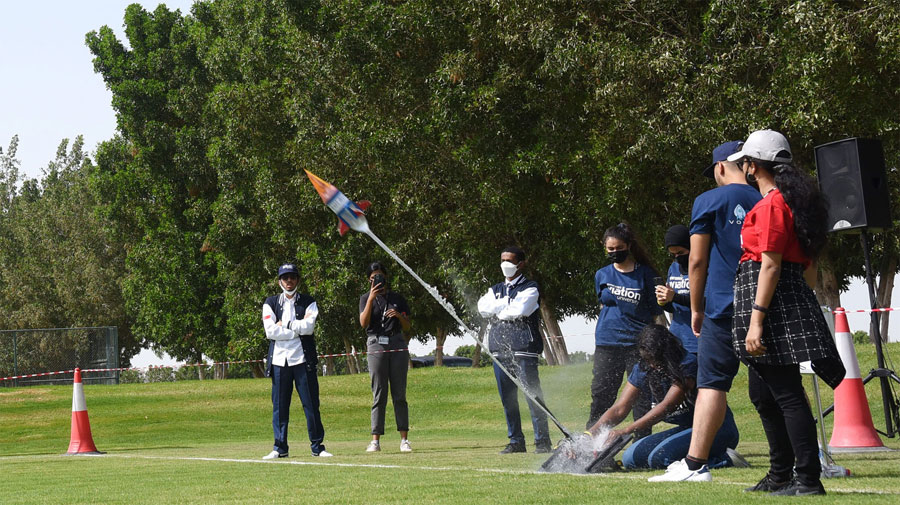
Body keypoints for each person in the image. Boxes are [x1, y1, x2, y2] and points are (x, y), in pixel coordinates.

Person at [730, 129, 844, 495]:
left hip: (769, 303)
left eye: (744, 162)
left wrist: (757, 320)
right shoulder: (794, 205)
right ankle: (780, 474)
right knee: (763, 394)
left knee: (787, 393)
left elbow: (770, 266)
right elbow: (807, 271)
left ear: (753, 166)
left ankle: (808, 479)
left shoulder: (771, 206)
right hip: (785, 298)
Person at [650, 141, 761, 482]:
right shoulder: (766, 197)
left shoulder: (708, 200)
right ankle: (803, 455)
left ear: (720, 167)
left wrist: (695, 308)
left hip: (721, 308)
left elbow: (697, 261)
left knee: (712, 385)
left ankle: (695, 465)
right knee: (779, 385)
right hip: (761, 305)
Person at [586, 324, 740, 469]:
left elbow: (667, 406)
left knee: (659, 458)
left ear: (667, 351)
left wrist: (625, 431)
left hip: (717, 429)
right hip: (689, 428)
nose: (652, 365)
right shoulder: (644, 368)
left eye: (655, 359)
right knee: (631, 458)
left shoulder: (687, 364)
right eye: (648, 360)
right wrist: (588, 435)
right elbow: (620, 408)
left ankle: (726, 459)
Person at [477, 246, 552, 454]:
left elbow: (520, 310)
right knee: (508, 399)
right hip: (499, 349)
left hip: (524, 348)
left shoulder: (531, 287)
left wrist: (499, 307)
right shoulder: (495, 289)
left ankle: (542, 441)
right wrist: (505, 305)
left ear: (521, 264)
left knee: (532, 395)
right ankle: (516, 441)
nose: (505, 265)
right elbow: (483, 308)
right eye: (502, 260)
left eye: (509, 261)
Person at [588, 223, 661, 433]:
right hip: (607, 343)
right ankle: (592, 444)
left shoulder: (646, 274)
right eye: (610, 249)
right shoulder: (601, 274)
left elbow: (656, 309)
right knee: (602, 394)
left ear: (629, 246)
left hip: (638, 345)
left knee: (641, 397)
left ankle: (641, 444)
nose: (614, 252)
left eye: (619, 248)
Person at [261, 263, 332, 459]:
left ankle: (317, 447)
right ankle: (280, 447)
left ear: (298, 280)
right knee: (280, 407)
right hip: (279, 361)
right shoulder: (270, 302)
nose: (289, 281)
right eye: (285, 277)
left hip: (303, 360)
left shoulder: (309, 302)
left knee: (311, 405)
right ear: (279, 281)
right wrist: (294, 330)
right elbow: (270, 331)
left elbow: (309, 327)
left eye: (292, 277)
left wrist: (286, 324)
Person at [359, 262, 413, 453]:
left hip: (397, 343)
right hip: (376, 344)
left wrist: (398, 316)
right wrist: (372, 299)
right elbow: (363, 323)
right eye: (374, 277)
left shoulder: (397, 298)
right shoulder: (365, 298)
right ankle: (375, 440)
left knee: (399, 393)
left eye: (380, 276)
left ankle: (404, 440)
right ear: (369, 280)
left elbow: (407, 327)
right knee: (379, 392)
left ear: (386, 277)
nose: (378, 280)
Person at [655, 225, 696, 355]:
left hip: (699, 340)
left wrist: (674, 297)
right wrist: (664, 301)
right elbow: (673, 307)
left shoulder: (705, 267)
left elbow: (707, 302)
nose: (677, 257)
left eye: (680, 253)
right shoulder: (673, 267)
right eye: (673, 254)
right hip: (677, 339)